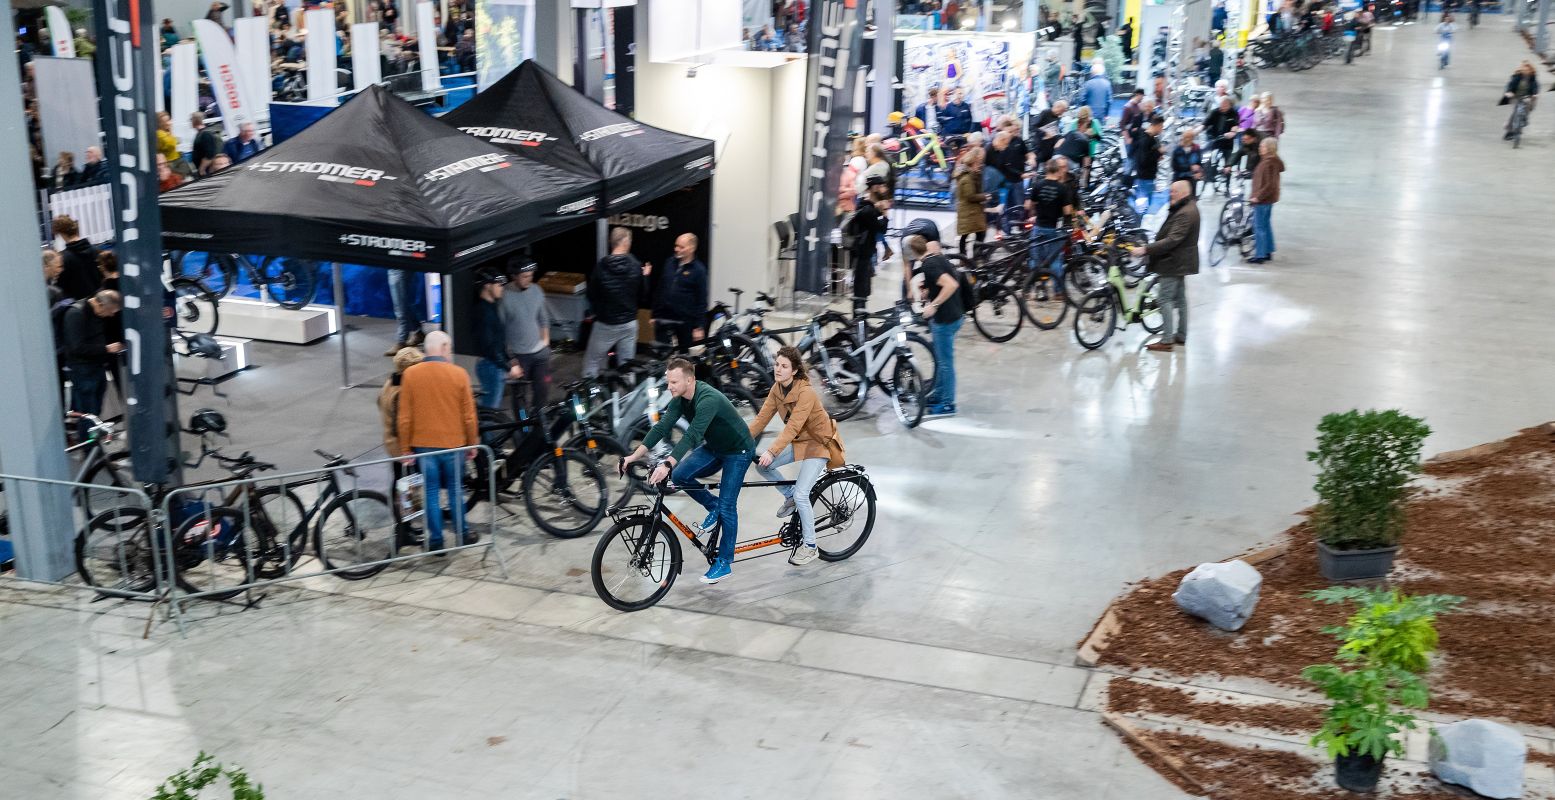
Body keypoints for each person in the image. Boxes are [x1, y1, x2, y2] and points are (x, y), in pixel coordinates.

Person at [622, 358, 755, 585]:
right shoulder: (680, 399)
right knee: (681, 475)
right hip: (715, 447)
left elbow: (692, 435)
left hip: (738, 450)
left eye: (674, 382)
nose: (669, 387)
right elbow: (662, 427)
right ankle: (713, 507)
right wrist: (634, 455)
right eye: (668, 382)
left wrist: (667, 463)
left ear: (690, 380)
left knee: (728, 506)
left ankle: (724, 563)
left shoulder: (707, 399)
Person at [748, 346, 846, 566]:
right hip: (800, 442)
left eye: (784, 366)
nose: (778, 369)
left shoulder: (806, 392)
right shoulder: (776, 389)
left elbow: (792, 427)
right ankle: (789, 495)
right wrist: (737, 440)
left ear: (794, 371)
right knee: (762, 467)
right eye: (776, 365)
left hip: (819, 444)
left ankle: (810, 546)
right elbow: (760, 420)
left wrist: (772, 451)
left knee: (803, 495)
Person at [396, 330, 479, 552]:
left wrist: (405, 448)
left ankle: (435, 542)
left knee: (431, 492)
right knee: (455, 489)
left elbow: (404, 418)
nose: (450, 353)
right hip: (454, 445)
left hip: (424, 446)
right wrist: (472, 444)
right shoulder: (460, 374)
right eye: (449, 348)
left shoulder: (411, 375)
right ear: (442, 347)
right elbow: (469, 416)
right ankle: (463, 533)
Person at [1130, 181, 1198, 352]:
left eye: (1174, 192)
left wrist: (1146, 249)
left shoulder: (1185, 213)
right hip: (1181, 261)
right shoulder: (1189, 207)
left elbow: (1173, 240)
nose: (1170, 194)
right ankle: (1181, 335)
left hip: (1173, 261)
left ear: (1183, 193)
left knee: (1164, 299)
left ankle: (1167, 340)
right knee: (1181, 300)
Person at [904, 235, 964, 417]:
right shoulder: (936, 257)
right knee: (940, 360)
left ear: (913, 253)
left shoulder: (929, 265)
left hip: (945, 319)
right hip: (954, 314)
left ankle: (948, 403)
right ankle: (939, 394)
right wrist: (930, 291)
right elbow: (948, 279)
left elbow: (951, 284)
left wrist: (934, 305)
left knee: (945, 363)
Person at [583, 227, 647, 378]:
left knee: (592, 362)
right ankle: (628, 399)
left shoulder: (601, 266)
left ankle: (590, 396)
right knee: (627, 365)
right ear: (625, 242)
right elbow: (643, 295)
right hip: (629, 323)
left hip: (606, 324)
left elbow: (591, 294)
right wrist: (646, 277)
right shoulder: (635, 265)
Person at [61, 290, 125, 437]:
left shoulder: (95, 313)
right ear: (100, 304)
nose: (111, 315)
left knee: (94, 413)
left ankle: (94, 448)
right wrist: (106, 348)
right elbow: (76, 347)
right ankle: (90, 450)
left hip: (96, 368)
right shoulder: (75, 314)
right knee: (88, 415)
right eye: (110, 311)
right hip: (82, 371)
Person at [1026, 157, 1088, 288]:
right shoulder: (1061, 189)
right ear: (1056, 170)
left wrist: (1037, 211)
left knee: (1036, 258)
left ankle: (1035, 287)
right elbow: (1067, 211)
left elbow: (1030, 205)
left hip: (1039, 226)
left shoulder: (1038, 185)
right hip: (1055, 228)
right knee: (1055, 259)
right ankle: (1058, 291)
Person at [652, 233, 708, 352]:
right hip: (664, 317)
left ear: (692, 248)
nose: (676, 249)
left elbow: (701, 300)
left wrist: (699, 326)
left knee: (684, 356)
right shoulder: (669, 263)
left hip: (685, 321)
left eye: (681, 247)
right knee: (660, 355)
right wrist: (654, 314)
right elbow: (660, 289)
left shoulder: (699, 270)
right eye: (676, 246)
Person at [844, 183, 892, 313]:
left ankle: (861, 318)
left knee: (864, 288)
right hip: (862, 253)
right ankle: (858, 320)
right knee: (860, 288)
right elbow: (881, 228)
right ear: (874, 188)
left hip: (864, 252)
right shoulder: (867, 210)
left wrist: (879, 210)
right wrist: (885, 213)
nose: (885, 188)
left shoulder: (866, 207)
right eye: (882, 185)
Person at [472, 268, 509, 410]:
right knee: (490, 411)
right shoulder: (483, 311)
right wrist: (507, 366)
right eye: (499, 285)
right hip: (490, 366)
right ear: (487, 286)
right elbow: (489, 345)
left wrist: (507, 360)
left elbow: (498, 339)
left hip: (493, 364)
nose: (502, 288)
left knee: (491, 408)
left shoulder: (491, 307)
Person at [1247, 137, 1284, 264]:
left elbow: (1269, 185)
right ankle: (1268, 250)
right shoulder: (1270, 161)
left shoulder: (1268, 163)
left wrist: (1258, 197)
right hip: (1267, 200)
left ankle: (1260, 254)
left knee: (1259, 227)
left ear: (1269, 149)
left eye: (1262, 146)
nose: (1259, 148)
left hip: (1263, 201)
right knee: (1266, 226)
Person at [53, 216, 101, 301]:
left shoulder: (64, 259)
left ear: (62, 234)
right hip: (100, 303)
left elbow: (61, 288)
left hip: (79, 306)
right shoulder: (96, 251)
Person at [954, 145, 988, 253]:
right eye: (978, 163)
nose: (980, 165)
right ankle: (967, 257)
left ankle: (968, 257)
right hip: (969, 212)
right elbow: (970, 196)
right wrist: (984, 197)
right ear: (973, 163)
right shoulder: (967, 178)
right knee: (970, 235)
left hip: (972, 212)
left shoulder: (972, 175)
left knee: (974, 234)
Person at [1131, 116, 1165, 213]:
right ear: (1157, 126)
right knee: (1142, 208)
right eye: (1161, 127)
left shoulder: (1152, 139)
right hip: (1144, 178)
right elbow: (1143, 160)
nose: (1162, 130)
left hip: (1148, 177)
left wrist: (1158, 154)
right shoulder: (1146, 140)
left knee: (1144, 207)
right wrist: (1158, 153)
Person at [1504, 61, 1540, 138]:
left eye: (1528, 70)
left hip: (1527, 97)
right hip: (1516, 96)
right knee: (1515, 112)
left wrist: (1535, 94)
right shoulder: (1517, 76)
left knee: (1527, 104)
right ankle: (1509, 132)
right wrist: (1508, 92)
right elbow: (1510, 85)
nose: (1526, 71)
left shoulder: (1533, 78)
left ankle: (1524, 119)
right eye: (1524, 69)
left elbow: (1535, 87)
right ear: (1522, 69)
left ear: (1531, 70)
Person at [1204, 96, 1240, 166]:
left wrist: (1232, 133)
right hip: (1215, 140)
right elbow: (1205, 123)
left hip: (1228, 143)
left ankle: (1227, 174)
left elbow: (1235, 126)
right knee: (1212, 162)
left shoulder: (1234, 113)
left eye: (1224, 104)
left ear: (1229, 105)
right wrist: (1197, 130)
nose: (1222, 106)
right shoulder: (1215, 112)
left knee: (1228, 164)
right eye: (1221, 104)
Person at [1031, 99, 1066, 166]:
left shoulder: (1057, 117)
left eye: (1063, 112)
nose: (1062, 114)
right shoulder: (1045, 113)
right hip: (1039, 145)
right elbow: (1034, 127)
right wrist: (1045, 133)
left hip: (1049, 147)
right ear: (1057, 107)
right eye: (1061, 111)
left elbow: (1056, 131)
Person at [1170, 129, 1203, 194]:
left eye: (1189, 138)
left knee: (1191, 200)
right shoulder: (1177, 150)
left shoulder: (1197, 149)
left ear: (1192, 138)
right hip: (1179, 179)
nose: (1187, 139)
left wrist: (1199, 172)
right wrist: (1190, 167)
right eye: (1186, 137)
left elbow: (1199, 163)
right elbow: (1174, 166)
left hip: (1192, 180)